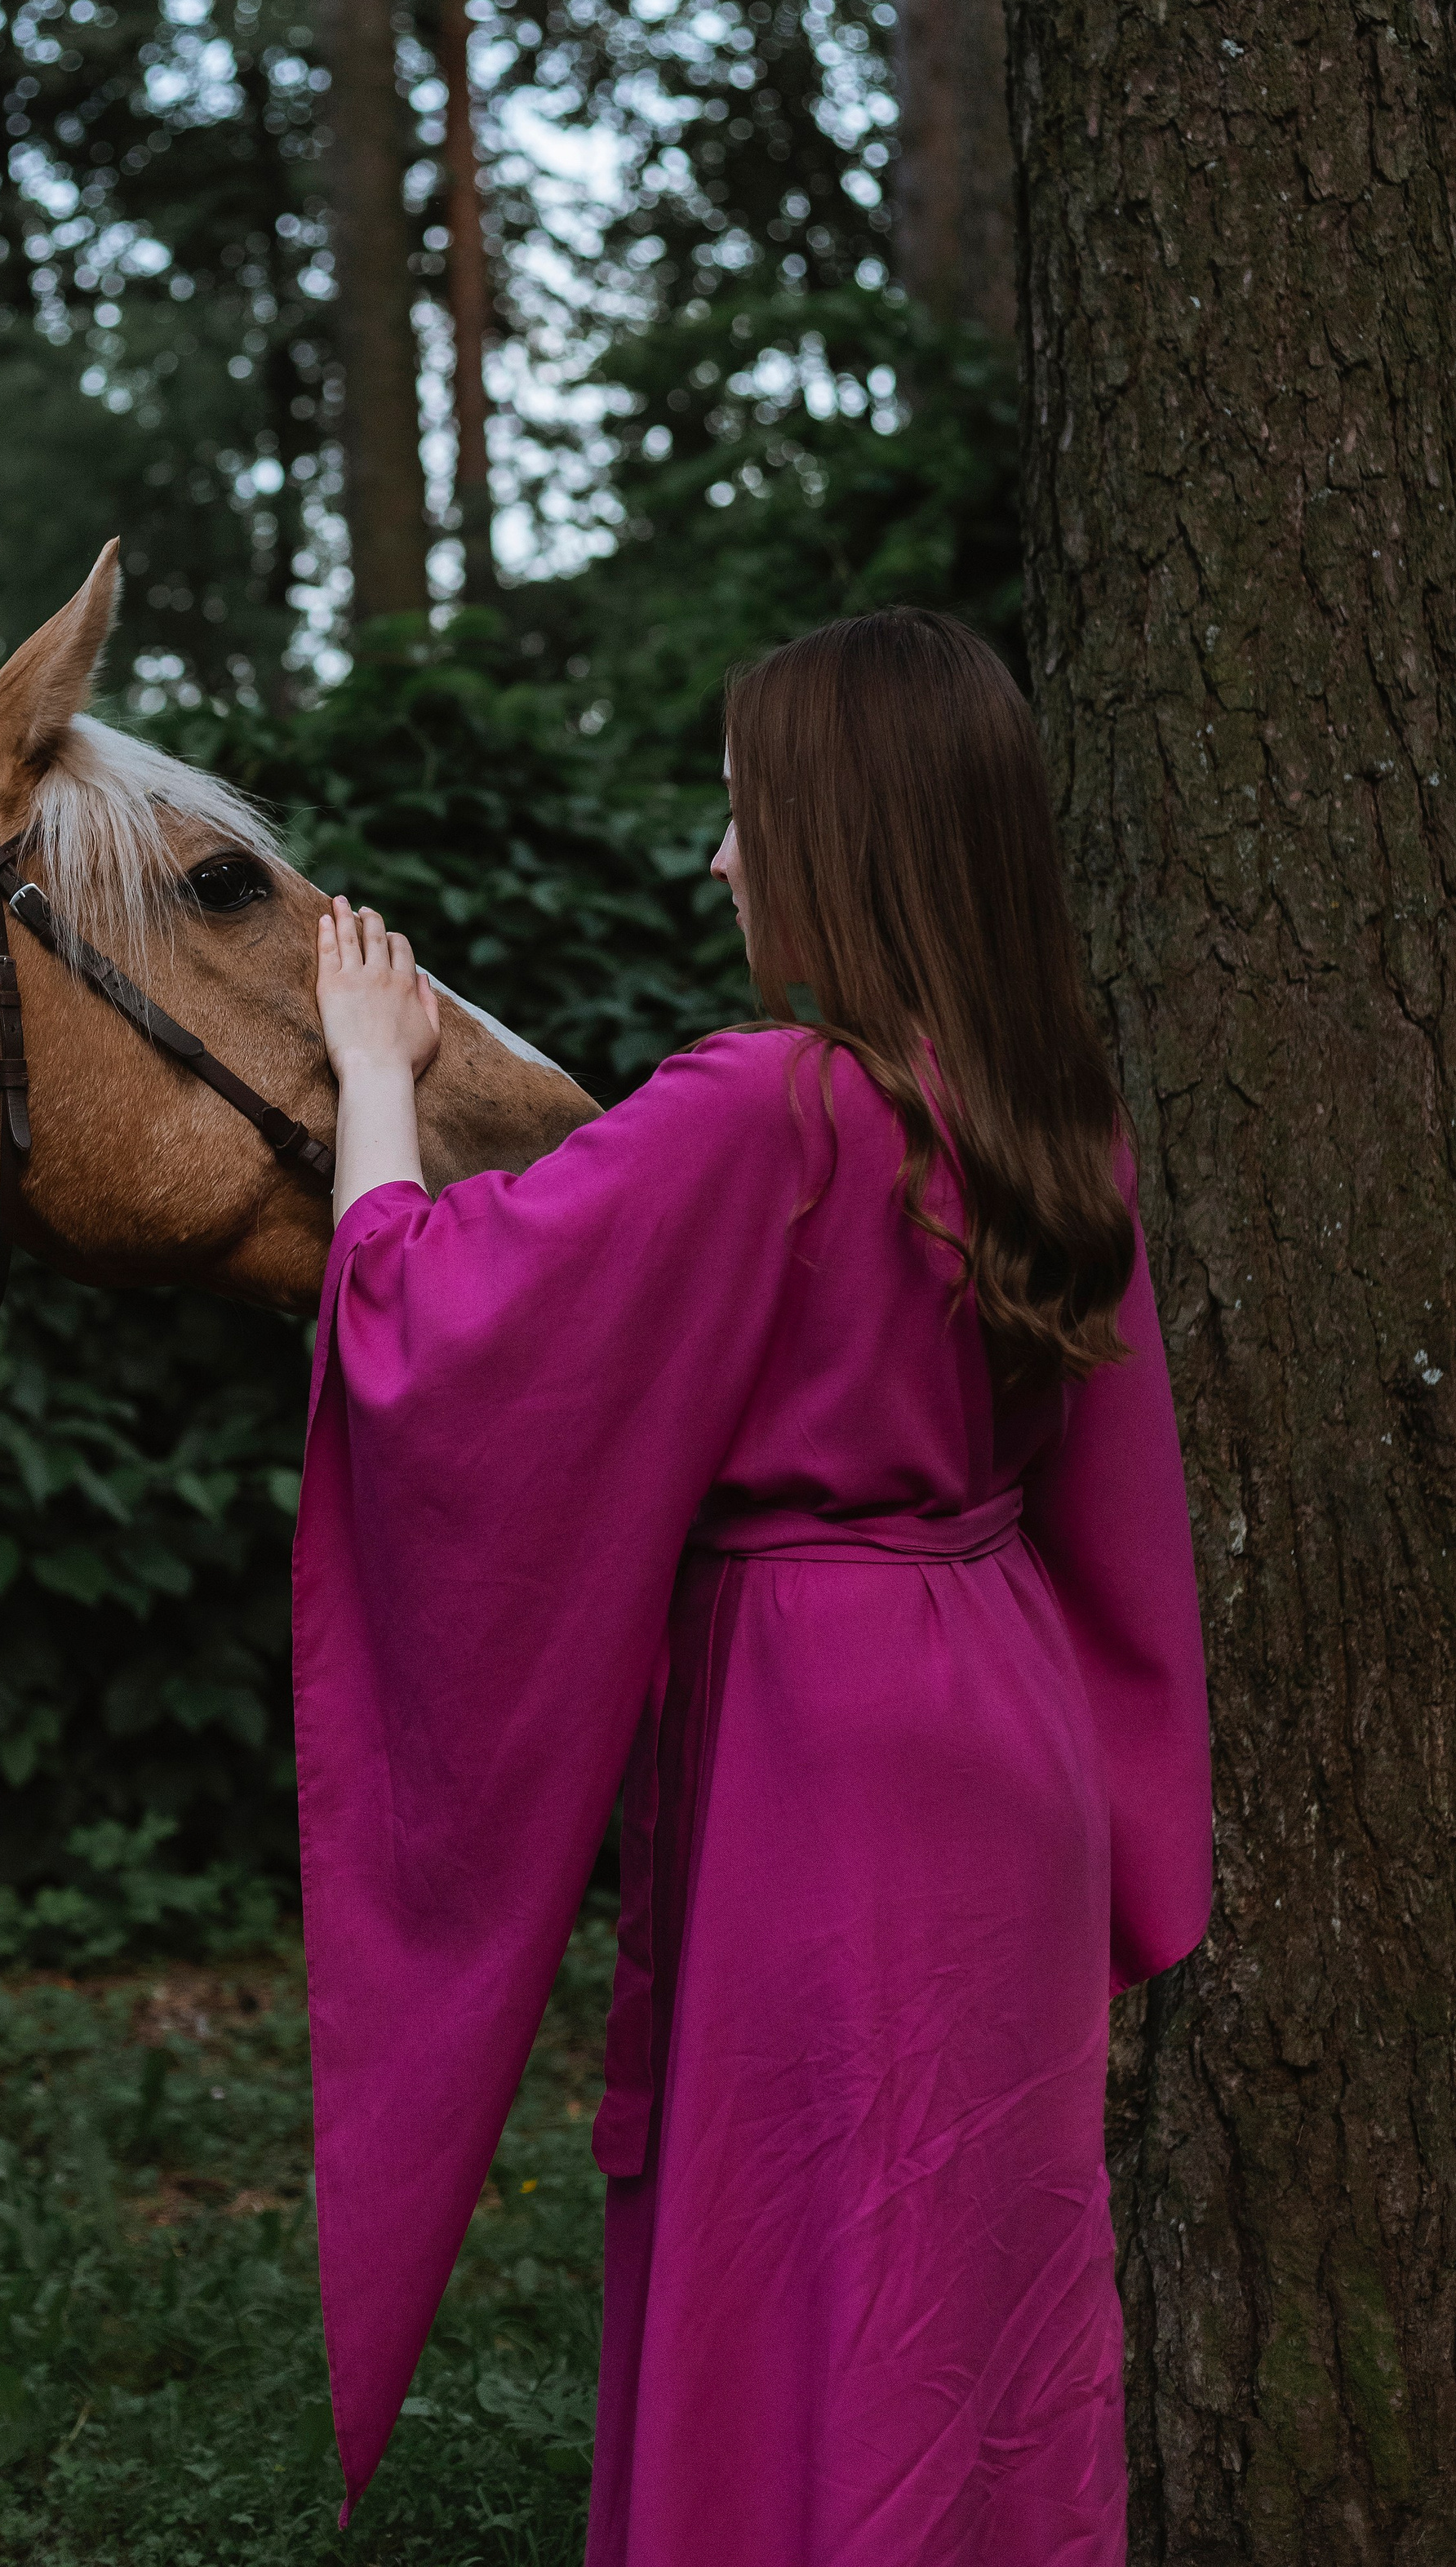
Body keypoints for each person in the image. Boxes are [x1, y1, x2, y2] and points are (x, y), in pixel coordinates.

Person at [293, 607, 1213, 2567]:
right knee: (964, 2273)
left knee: (811, 2238)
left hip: (823, 1747)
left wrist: (372, 1073)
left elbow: (429, 1331)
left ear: (844, 833)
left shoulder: (769, 1105)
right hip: (1005, 1727)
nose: (717, 861)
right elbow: (1115, 1520)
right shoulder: (1049, 1115)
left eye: (741, 813)